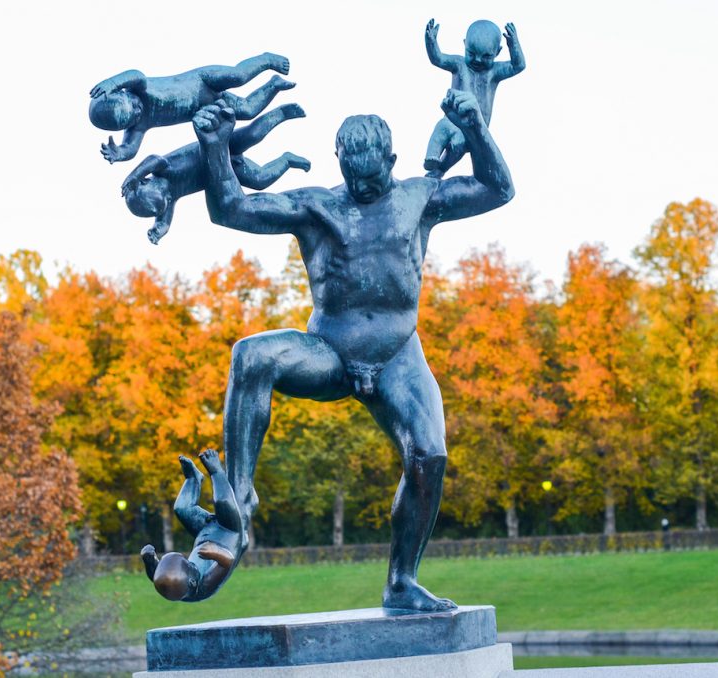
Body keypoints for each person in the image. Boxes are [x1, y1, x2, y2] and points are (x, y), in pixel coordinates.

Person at [190, 87, 514, 611]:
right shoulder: (316, 206)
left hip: (397, 356)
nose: (364, 189)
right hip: (331, 350)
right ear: (338, 161)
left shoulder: (419, 197)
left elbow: (497, 189)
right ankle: (239, 502)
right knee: (251, 355)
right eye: (354, 180)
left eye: (375, 179)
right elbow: (231, 208)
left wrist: (475, 127)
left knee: (429, 456)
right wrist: (213, 146)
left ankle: (402, 582)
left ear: (392, 160)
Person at [120, 103, 310, 244]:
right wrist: (159, 229)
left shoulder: (163, 169)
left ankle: (282, 113)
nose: (169, 195)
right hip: (225, 171)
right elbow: (164, 218)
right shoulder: (168, 198)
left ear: (146, 181)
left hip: (219, 144)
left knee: (252, 135)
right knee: (260, 179)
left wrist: (134, 176)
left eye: (163, 192)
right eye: (166, 199)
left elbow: (154, 159)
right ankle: (287, 160)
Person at [89, 53, 293, 164]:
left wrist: (111, 82)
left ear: (124, 91)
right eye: (131, 117)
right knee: (247, 110)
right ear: (125, 125)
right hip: (206, 106)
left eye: (132, 104)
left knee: (238, 76)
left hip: (203, 81)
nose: (137, 110)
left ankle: (267, 60)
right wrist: (119, 154)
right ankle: (273, 85)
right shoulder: (139, 126)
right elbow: (131, 149)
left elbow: (136, 73)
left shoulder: (140, 88)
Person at [422, 19, 525, 177]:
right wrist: (431, 42)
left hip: (475, 127)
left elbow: (518, 66)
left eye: (486, 56)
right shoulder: (459, 64)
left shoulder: (494, 72)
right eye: (471, 53)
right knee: (443, 127)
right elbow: (438, 59)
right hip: (453, 118)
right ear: (464, 44)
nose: (477, 60)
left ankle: (441, 168)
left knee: (459, 143)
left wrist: (514, 45)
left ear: (497, 52)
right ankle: (432, 157)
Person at [141, 449, 245, 602]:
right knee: (223, 503)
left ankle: (193, 479)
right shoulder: (202, 587)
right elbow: (227, 562)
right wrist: (215, 552)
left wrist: (149, 561)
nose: (190, 562)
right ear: (192, 582)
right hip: (228, 533)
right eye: (189, 565)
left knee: (182, 508)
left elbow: (157, 576)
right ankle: (217, 471)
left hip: (204, 533)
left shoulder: (174, 584)